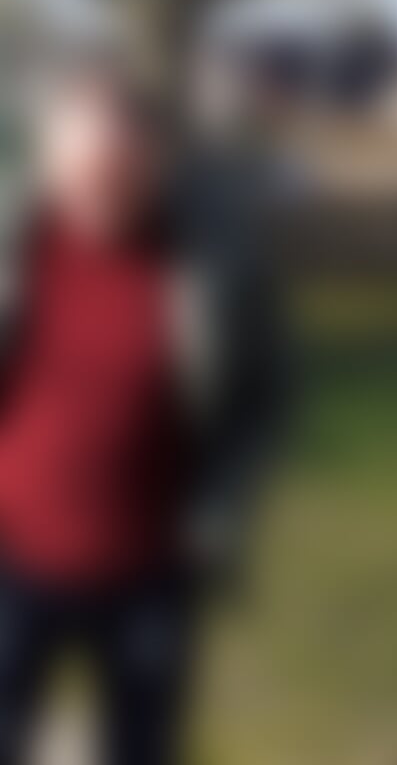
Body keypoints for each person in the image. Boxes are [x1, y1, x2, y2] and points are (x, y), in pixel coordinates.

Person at [0, 59, 281, 765]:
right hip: (17, 562)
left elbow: (257, 400)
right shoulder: (17, 253)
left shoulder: (204, 263)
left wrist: (217, 514)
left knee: (142, 745)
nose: (99, 184)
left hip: (150, 569)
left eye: (116, 165)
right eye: (82, 167)